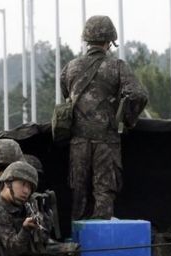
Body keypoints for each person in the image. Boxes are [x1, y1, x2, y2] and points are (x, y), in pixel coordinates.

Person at [61, 15, 148, 220]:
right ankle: (101, 247)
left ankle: (76, 246)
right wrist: (126, 119)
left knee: (78, 194)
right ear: (109, 41)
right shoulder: (117, 66)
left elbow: (66, 98)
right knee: (104, 194)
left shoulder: (70, 68)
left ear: (86, 40)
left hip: (78, 143)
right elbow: (138, 95)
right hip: (106, 143)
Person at [0, 161, 92, 256]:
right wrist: (25, 229)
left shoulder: (21, 206)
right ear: (8, 182)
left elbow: (40, 242)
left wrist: (44, 218)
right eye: (23, 184)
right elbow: (14, 249)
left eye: (30, 187)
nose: (26, 191)